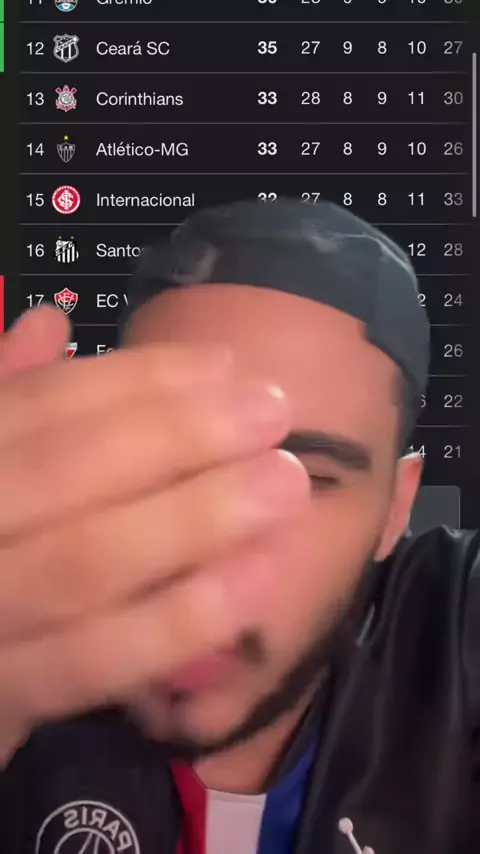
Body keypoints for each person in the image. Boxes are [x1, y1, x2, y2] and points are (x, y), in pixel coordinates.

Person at [0, 198, 478, 854]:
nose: (206, 564)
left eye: (306, 477)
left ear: (397, 508)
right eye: (164, 456)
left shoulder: (456, 633)